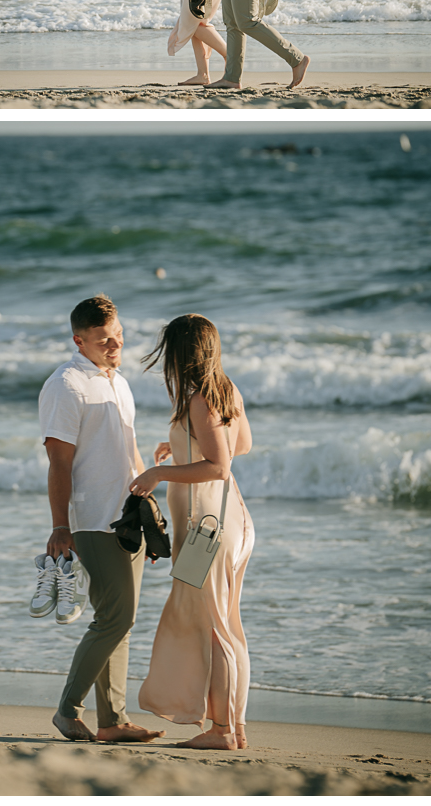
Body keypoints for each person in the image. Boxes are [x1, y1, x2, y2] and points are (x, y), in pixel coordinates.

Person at [38, 293, 164, 744]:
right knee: (115, 618)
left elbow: (128, 452)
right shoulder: (66, 385)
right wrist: (59, 526)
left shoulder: (118, 382)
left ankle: (112, 722)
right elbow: (59, 462)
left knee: (119, 618)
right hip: (93, 519)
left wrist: (148, 511)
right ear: (79, 340)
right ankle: (68, 710)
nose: (115, 346)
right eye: (103, 340)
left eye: (119, 337)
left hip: (128, 517)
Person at [129, 314, 254, 751]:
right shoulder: (227, 389)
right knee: (227, 625)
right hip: (231, 522)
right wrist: (183, 449)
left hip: (208, 529)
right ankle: (233, 729)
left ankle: (221, 732)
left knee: (216, 627)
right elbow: (241, 445)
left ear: (182, 354)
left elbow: (219, 466)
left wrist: (161, 471)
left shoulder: (201, 398)